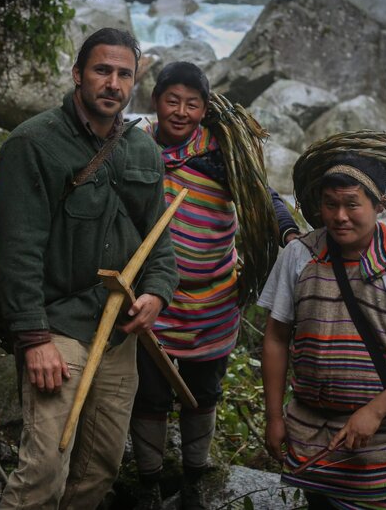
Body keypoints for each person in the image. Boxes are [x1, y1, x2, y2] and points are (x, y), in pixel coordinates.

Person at [0, 28, 179, 510]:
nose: (113, 84)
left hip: (118, 334)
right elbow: (17, 249)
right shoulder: (33, 143)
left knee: (99, 471)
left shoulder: (143, 150)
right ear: (77, 74)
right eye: (102, 70)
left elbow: (159, 239)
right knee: (42, 473)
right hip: (58, 329)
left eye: (124, 74)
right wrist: (34, 338)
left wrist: (157, 292)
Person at [129, 61, 300, 509]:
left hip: (214, 301)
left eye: (192, 104)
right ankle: (148, 484)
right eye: (172, 101)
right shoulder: (135, 146)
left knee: (204, 393)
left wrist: (289, 234)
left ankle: (194, 479)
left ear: (205, 109)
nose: (181, 111)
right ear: (155, 101)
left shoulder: (222, 154)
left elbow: (264, 196)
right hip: (151, 298)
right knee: (148, 393)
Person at [258, 154, 386, 509]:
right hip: (309, 436)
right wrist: (273, 417)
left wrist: (375, 411)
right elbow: (276, 337)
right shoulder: (300, 255)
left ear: (380, 205)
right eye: (330, 204)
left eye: (351, 204)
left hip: (381, 445)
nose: (339, 216)